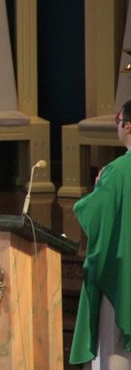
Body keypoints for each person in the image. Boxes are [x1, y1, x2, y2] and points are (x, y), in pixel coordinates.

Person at [70, 99, 131, 368]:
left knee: (115, 348)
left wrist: (97, 190)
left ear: (127, 126)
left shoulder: (116, 172)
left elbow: (94, 216)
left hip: (122, 275)